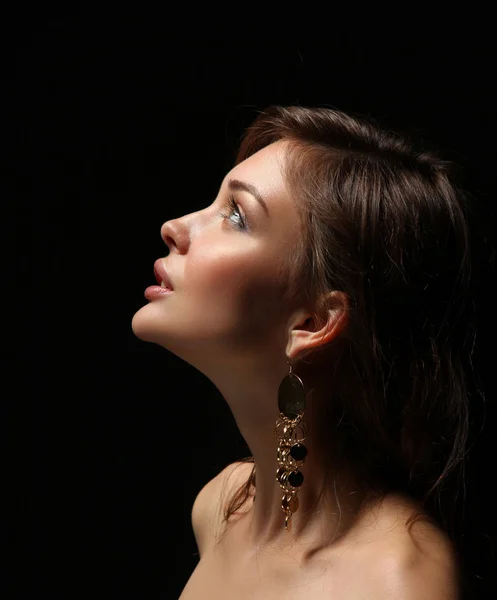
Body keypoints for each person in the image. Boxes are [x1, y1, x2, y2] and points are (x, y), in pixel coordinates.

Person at [131, 105, 480, 598]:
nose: (174, 226)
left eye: (236, 216)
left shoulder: (396, 579)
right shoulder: (223, 506)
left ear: (313, 322)